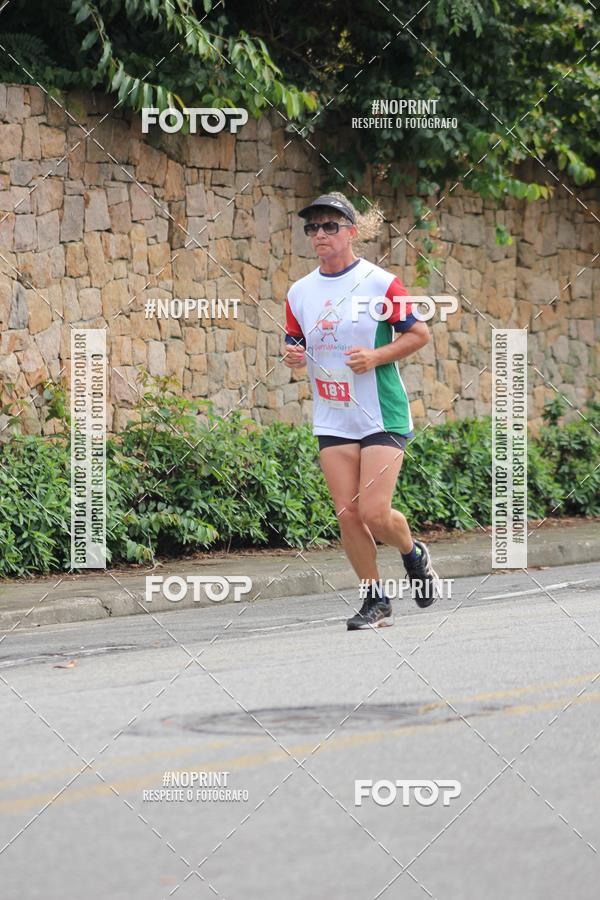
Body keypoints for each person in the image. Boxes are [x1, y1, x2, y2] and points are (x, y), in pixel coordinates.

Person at [282, 191, 440, 630]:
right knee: (347, 513)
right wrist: (292, 355)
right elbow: (296, 342)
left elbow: (418, 334)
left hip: (380, 413)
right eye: (313, 227)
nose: (320, 234)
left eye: (330, 226)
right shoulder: (300, 292)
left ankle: (413, 554)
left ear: (351, 231)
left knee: (373, 512)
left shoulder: (380, 283)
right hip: (333, 415)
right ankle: (376, 600)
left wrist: (376, 356)